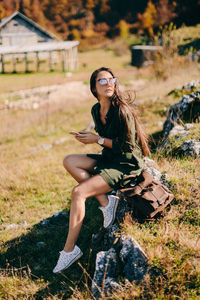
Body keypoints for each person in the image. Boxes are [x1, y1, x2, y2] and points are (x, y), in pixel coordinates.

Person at [53, 67, 150, 273]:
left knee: (78, 192)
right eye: (102, 81)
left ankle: (69, 250)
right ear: (94, 88)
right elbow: (105, 141)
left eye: (111, 80)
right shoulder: (96, 110)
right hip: (109, 159)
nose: (109, 84)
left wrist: (96, 139)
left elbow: (128, 147)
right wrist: (88, 137)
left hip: (125, 165)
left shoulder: (122, 111)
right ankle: (106, 203)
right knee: (69, 160)